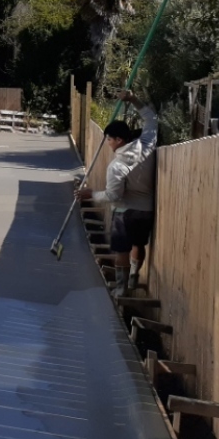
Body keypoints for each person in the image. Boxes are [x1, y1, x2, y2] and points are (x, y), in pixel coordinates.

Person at [75, 90, 157, 296]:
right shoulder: (146, 144)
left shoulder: (117, 165)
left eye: (109, 139)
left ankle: (121, 289)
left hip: (125, 212)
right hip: (146, 210)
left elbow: (113, 196)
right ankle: (133, 279)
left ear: (119, 140)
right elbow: (151, 118)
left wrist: (90, 195)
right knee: (139, 244)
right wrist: (133, 99)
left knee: (122, 250)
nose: (108, 143)